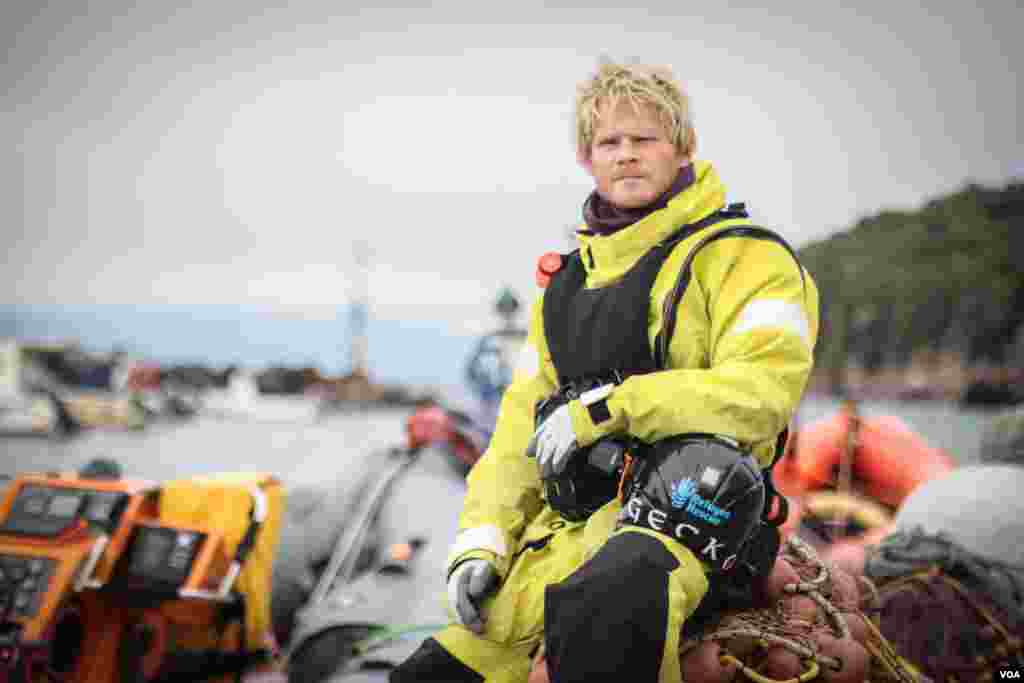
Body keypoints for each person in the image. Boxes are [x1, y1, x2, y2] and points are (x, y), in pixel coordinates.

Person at [390, 58, 820, 683]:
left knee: (607, 605)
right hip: (562, 536)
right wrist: (480, 541)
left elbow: (762, 391)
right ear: (586, 158)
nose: (626, 156)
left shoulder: (746, 259)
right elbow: (518, 434)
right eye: (608, 143)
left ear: (683, 147)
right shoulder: (564, 289)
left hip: (687, 528)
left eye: (643, 139)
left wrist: (607, 408)